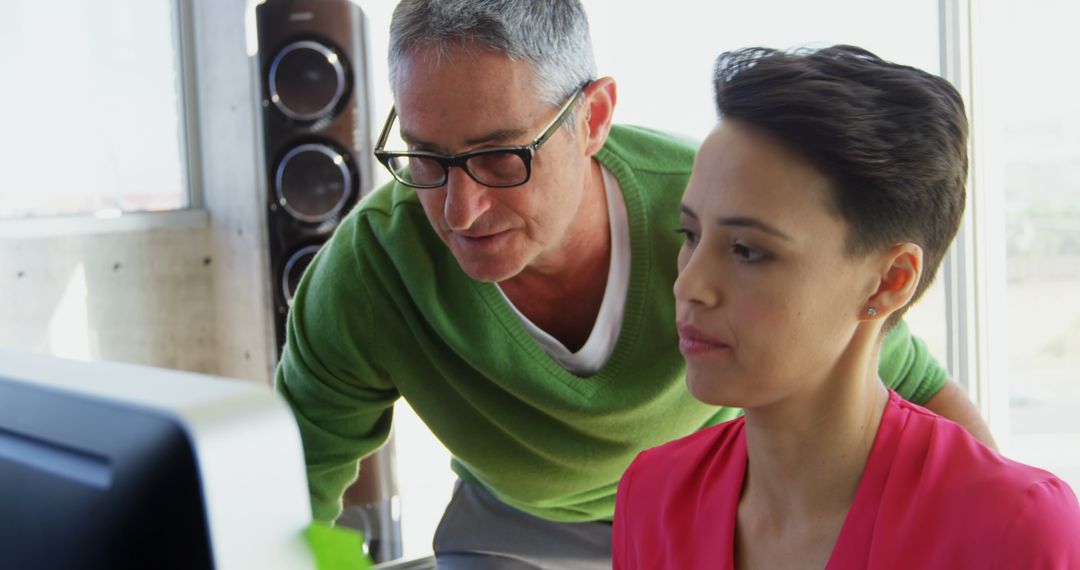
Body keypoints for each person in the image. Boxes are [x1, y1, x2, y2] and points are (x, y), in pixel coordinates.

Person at [276, 1, 993, 567]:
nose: (459, 211)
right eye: (426, 157)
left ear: (591, 118)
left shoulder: (717, 207)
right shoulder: (372, 268)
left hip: (721, 507)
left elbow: (905, 381)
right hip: (514, 528)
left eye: (499, 157)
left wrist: (1002, 521)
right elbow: (287, 494)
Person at [612, 45, 1080, 569]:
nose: (690, 284)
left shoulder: (1013, 528)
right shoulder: (652, 495)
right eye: (690, 234)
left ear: (889, 281)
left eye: (748, 251)